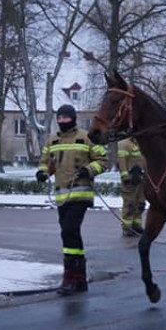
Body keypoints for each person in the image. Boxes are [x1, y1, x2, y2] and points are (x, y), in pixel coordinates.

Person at [36, 104, 108, 295]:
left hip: (81, 194)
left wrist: (89, 170)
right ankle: (79, 279)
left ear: (73, 118)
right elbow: (46, 162)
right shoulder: (52, 140)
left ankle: (70, 278)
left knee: (69, 231)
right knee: (70, 235)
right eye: (59, 118)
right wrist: (43, 173)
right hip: (62, 196)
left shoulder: (86, 137)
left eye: (66, 118)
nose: (62, 121)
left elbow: (103, 161)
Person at [116, 137, 147, 237]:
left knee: (140, 203)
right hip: (130, 179)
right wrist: (125, 176)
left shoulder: (143, 142)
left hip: (142, 179)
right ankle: (127, 227)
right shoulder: (124, 144)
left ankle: (136, 225)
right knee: (130, 203)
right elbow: (122, 161)